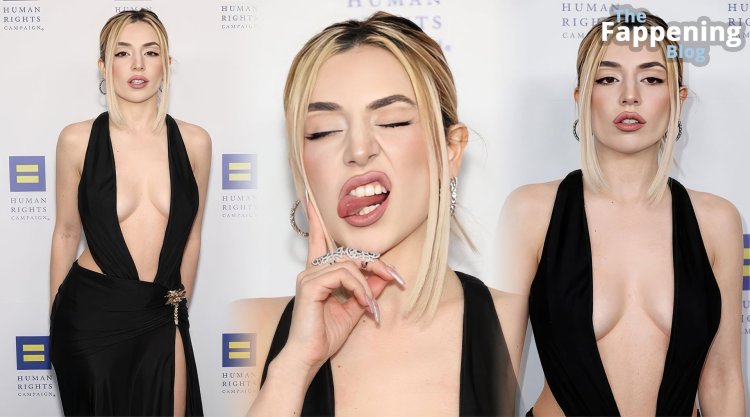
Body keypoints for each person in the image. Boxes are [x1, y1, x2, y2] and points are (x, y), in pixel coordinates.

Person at [234, 11, 516, 416]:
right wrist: (295, 367)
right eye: (323, 131)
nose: (358, 149)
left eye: (393, 122)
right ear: (301, 165)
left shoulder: (521, 320)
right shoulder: (250, 329)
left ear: (450, 151)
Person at [498, 12, 745, 417]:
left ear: (678, 98)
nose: (630, 96)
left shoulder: (717, 221)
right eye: (608, 78)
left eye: (651, 79)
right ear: (581, 97)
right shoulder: (530, 212)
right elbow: (496, 375)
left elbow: (722, 377)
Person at [49, 9, 211, 416]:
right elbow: (66, 233)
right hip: (90, 317)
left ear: (166, 64)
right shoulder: (76, 140)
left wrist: (174, 310)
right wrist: (56, 320)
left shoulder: (195, 142)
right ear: (104, 66)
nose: (138, 65)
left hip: (161, 311)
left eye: (150, 52)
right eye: (123, 53)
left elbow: (192, 236)